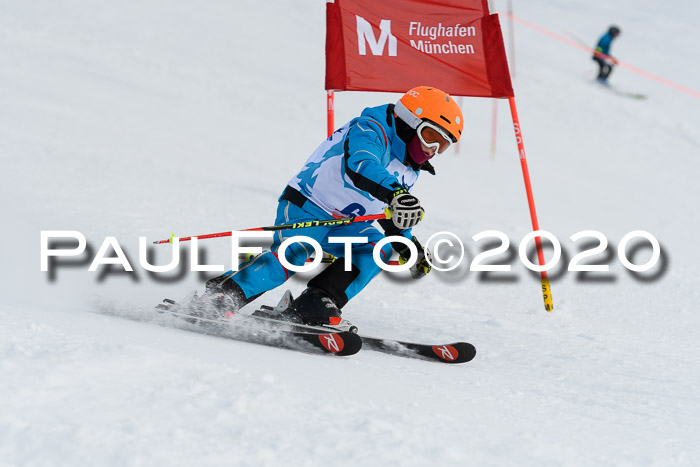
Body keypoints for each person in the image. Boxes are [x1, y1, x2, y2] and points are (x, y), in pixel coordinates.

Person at [199, 86, 463, 325]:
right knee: (296, 252)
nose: (432, 149)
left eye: (443, 145)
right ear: (409, 121)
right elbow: (362, 164)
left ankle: (315, 303)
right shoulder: (371, 128)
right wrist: (396, 193)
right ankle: (225, 294)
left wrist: (406, 243)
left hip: (347, 223)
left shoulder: (410, 167)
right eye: (430, 136)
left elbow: (387, 209)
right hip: (310, 204)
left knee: (376, 248)